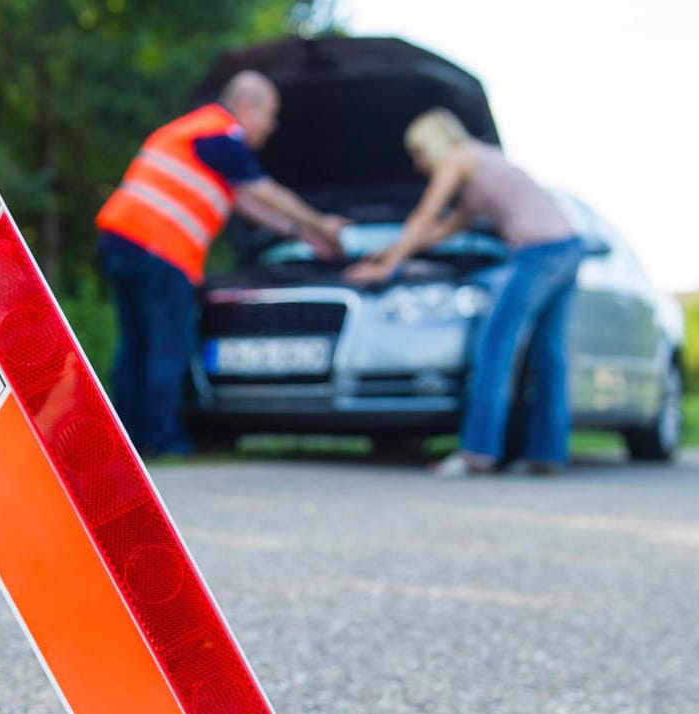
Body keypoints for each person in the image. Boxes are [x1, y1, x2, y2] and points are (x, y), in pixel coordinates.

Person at [96, 71, 349, 458]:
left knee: (135, 346)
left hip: (123, 241)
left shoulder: (199, 134)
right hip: (158, 249)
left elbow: (244, 202)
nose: (273, 125)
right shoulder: (221, 133)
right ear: (248, 107)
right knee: (168, 346)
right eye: (271, 114)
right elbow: (263, 190)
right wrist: (322, 225)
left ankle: (127, 440)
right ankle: (165, 441)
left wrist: (302, 234)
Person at [345, 108, 584, 477]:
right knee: (549, 357)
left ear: (433, 143)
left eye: (419, 153)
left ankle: (478, 452)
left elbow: (425, 216)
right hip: (568, 247)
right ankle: (547, 454)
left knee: (495, 346)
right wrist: (385, 254)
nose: (416, 163)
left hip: (537, 253)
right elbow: (441, 231)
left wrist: (387, 267)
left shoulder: (459, 158)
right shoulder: (481, 169)